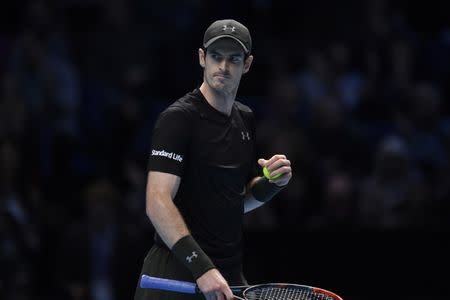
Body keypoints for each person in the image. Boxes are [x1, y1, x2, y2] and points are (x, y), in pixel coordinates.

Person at [133, 19, 292, 300]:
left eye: (234, 59)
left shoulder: (245, 119)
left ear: (248, 64)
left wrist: (271, 185)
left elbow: (233, 202)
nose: (224, 67)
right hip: (176, 275)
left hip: (227, 276)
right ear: (202, 58)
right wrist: (202, 268)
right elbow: (156, 202)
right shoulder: (178, 119)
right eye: (216, 57)